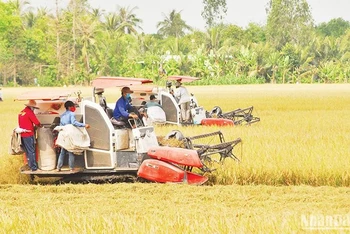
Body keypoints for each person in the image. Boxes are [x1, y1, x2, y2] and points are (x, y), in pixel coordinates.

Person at [56, 101, 90, 172]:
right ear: (69, 107)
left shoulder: (62, 115)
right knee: (71, 150)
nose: (74, 108)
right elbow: (74, 122)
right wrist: (84, 125)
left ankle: (58, 167)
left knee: (63, 151)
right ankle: (71, 168)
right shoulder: (71, 114)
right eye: (73, 106)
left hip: (63, 134)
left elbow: (61, 126)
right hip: (70, 134)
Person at [18, 100, 42, 171]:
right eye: (34, 108)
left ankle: (29, 165)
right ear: (31, 107)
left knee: (27, 151)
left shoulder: (21, 112)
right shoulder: (29, 112)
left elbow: (22, 123)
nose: (34, 109)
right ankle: (34, 168)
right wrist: (41, 126)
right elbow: (37, 122)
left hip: (22, 135)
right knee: (31, 151)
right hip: (28, 134)